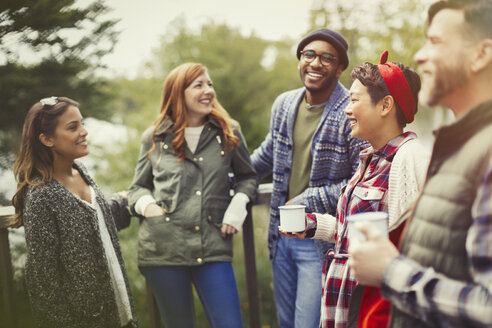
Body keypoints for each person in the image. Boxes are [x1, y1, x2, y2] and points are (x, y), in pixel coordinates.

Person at [348, 1, 492, 327]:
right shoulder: (455, 146)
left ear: (481, 55)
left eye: (436, 42)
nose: (420, 55)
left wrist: (391, 272)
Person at [280, 51, 429, 328]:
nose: (347, 109)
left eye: (354, 100)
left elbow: (416, 248)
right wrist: (313, 225)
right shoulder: (369, 159)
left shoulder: (412, 159)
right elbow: (357, 234)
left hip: (373, 308)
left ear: (385, 106)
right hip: (344, 303)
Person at [251, 28, 367, 327]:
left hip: (320, 242)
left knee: (309, 323)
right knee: (286, 322)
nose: (316, 63)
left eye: (327, 58)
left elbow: (360, 178)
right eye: (309, 55)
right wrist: (226, 180)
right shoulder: (284, 104)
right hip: (281, 238)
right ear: (300, 60)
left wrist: (308, 199)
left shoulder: (350, 112)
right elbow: (267, 156)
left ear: (340, 67)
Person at [128, 62, 257, 328]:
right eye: (198, 85)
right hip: (163, 249)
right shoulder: (154, 137)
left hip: (213, 246)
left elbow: (248, 177)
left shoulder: (229, 132)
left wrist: (239, 203)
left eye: (209, 84)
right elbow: (137, 188)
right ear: (178, 93)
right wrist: (148, 206)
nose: (208, 90)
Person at [9, 97, 137, 328]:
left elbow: (92, 221)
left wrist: (125, 200)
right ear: (47, 139)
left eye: (82, 123)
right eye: (73, 127)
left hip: (120, 310)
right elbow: (42, 280)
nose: (84, 132)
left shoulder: (80, 171)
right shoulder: (41, 196)